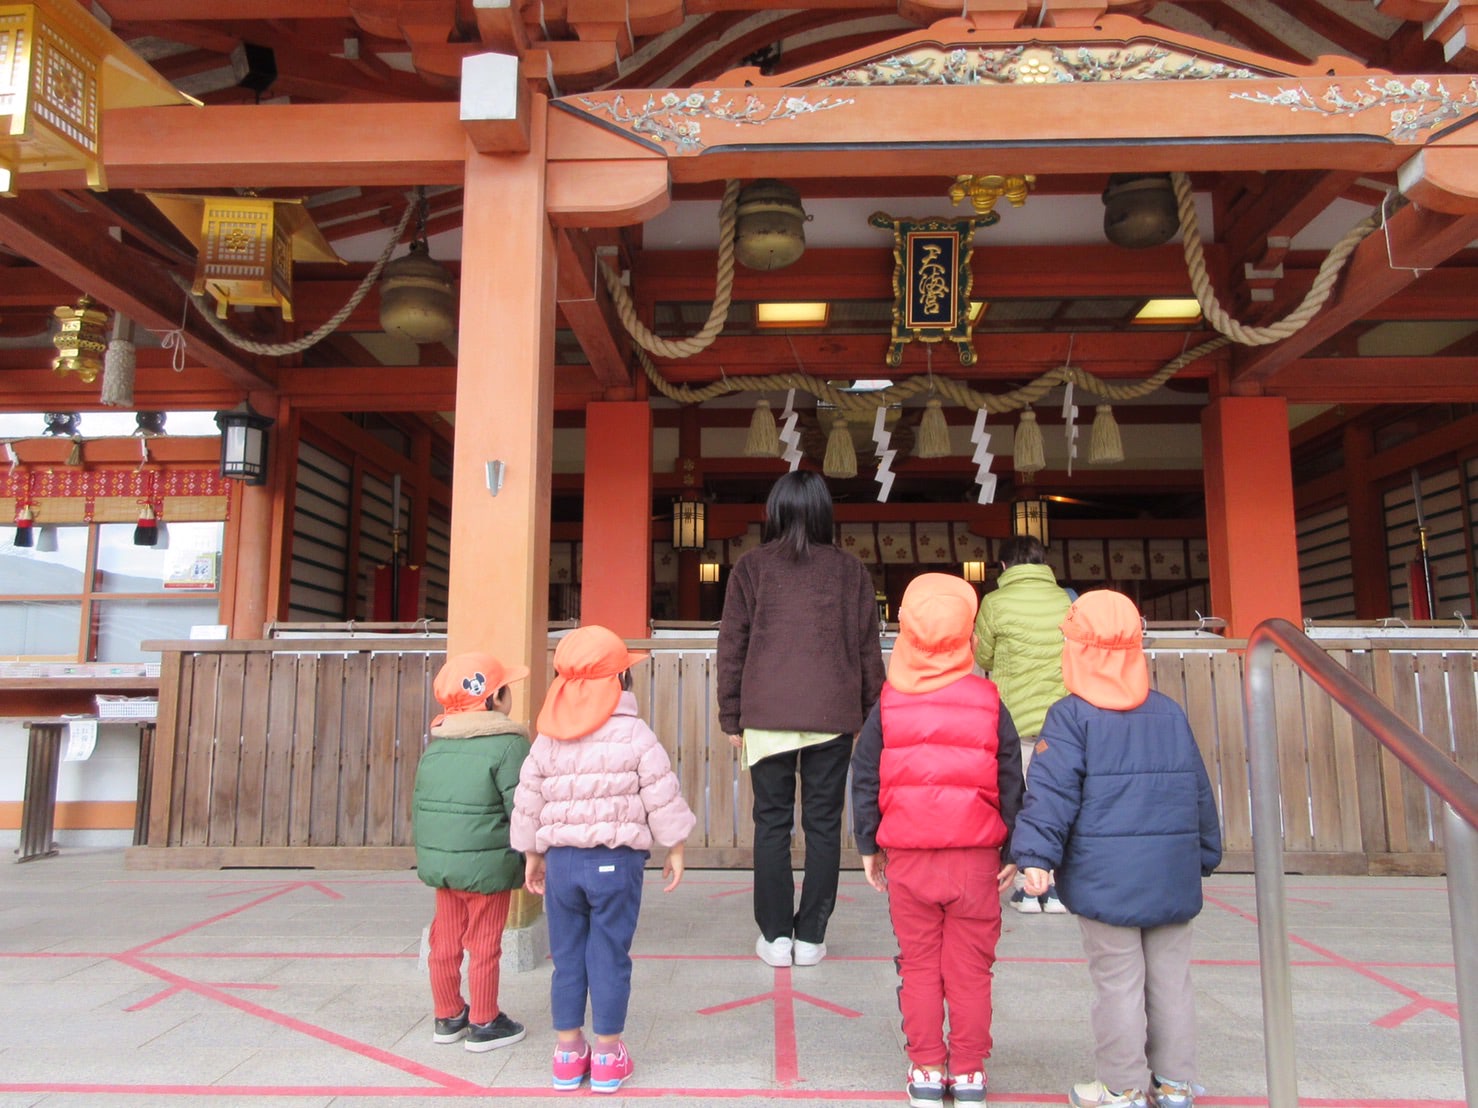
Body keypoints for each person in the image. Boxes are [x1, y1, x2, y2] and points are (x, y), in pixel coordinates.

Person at [1010, 590, 1222, 1108]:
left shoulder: (1070, 717)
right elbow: (1197, 788)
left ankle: (1122, 1085)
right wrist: (1205, 851)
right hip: (1171, 874)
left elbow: (1051, 792)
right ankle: (1174, 1084)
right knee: (1172, 982)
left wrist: (1035, 858)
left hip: (1107, 879)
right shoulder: (1169, 712)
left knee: (1119, 984)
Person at [850, 573, 1025, 1108]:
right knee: (971, 968)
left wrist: (867, 846)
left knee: (919, 963)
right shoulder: (989, 700)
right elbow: (1011, 779)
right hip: (975, 859)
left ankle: (927, 1068)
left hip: (908, 857)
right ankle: (968, 1072)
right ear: (969, 638)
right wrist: (1015, 849)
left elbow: (865, 775)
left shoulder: (889, 703)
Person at [510, 624, 696, 1094]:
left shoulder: (547, 737)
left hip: (563, 862)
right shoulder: (634, 733)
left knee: (568, 956)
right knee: (609, 954)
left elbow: (528, 798)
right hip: (616, 863)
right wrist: (674, 846)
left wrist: (533, 852)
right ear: (620, 683)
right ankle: (610, 1056)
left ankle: (569, 1054)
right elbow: (660, 791)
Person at [717, 469, 886, 968]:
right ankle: (811, 936)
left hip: (765, 717)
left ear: (774, 513)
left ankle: (775, 938)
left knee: (770, 824)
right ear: (823, 513)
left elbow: (733, 649)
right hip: (833, 716)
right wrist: (868, 715)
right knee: (822, 825)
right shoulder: (850, 571)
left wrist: (732, 717)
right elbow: (867, 651)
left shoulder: (751, 568)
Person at [412, 651, 532, 1053]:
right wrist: (534, 855)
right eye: (506, 690)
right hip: (488, 864)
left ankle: (447, 1015)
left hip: (444, 865)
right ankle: (484, 1019)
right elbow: (523, 809)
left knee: (443, 940)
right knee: (485, 943)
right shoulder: (507, 745)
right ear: (491, 699)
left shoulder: (437, 748)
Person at [972, 532, 1073, 914]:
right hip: (1062, 720)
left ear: (1003, 566)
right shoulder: (1067, 600)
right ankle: (1059, 886)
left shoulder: (994, 603)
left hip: (1012, 718)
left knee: (1019, 801)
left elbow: (982, 656)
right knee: (1059, 800)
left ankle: (1029, 887)